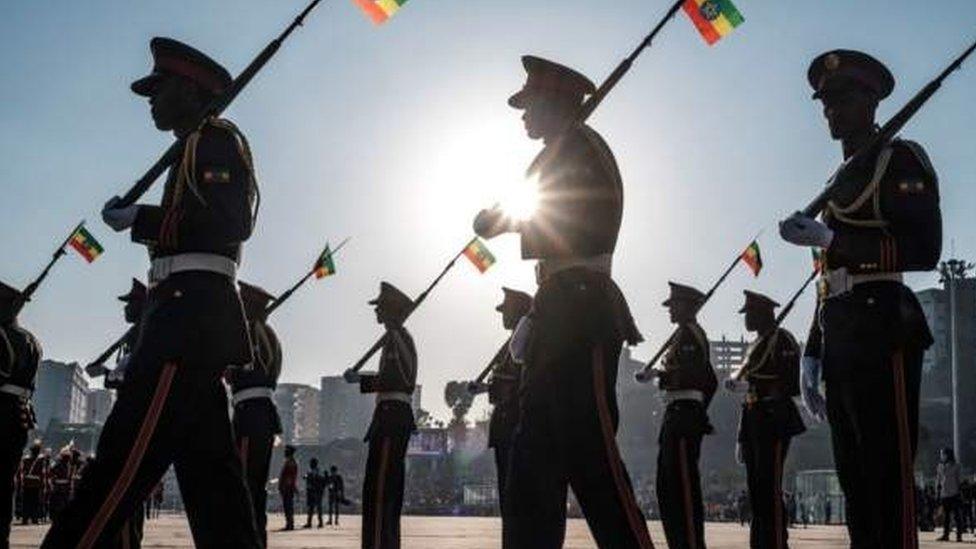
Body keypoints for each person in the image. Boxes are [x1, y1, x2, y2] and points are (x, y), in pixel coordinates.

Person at [43, 37, 262, 548]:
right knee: (217, 497)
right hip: (187, 321)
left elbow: (232, 223)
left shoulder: (215, 140)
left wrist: (140, 218)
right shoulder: (193, 146)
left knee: (116, 473)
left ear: (189, 90)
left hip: (184, 327)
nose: (150, 99)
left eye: (158, 89)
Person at [473, 55, 652, 549]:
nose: (523, 113)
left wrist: (508, 220)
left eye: (530, 103)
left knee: (592, 458)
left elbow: (580, 220)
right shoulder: (562, 151)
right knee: (532, 467)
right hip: (556, 307)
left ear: (556, 103)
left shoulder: (582, 149)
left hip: (582, 307)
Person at [779, 49, 941, 549]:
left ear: (872, 103)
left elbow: (924, 249)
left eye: (844, 99)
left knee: (886, 475)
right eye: (826, 102)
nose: (832, 110)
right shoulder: (839, 181)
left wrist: (833, 241)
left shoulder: (899, 159)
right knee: (855, 482)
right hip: (842, 334)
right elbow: (827, 277)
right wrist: (811, 349)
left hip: (882, 328)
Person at [727, 290, 806, 548]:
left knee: (769, 487)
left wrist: (755, 384)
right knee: (757, 491)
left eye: (749, 314)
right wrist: (741, 434)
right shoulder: (755, 346)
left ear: (763, 314)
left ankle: (774, 543)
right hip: (754, 419)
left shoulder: (781, 339)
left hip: (774, 419)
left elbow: (793, 382)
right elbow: (748, 395)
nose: (746, 319)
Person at [344, 281, 418, 549]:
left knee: (380, 491)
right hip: (388, 416)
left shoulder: (398, 338)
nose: (376, 312)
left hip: (391, 417)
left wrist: (361, 380)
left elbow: (399, 379)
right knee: (382, 488)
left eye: (380, 308)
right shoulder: (395, 337)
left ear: (390, 310)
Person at [653, 282, 717, 549]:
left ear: (688, 307)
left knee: (682, 489)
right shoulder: (682, 335)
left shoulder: (691, 335)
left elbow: (697, 377)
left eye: (674, 305)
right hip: (676, 414)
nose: (670, 310)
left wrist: (660, 375)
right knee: (667, 487)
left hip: (684, 417)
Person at [468, 286, 532, 541]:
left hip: (515, 424)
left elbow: (518, 384)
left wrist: (489, 387)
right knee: (508, 499)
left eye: (506, 310)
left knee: (515, 498)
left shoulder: (524, 342)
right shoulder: (511, 343)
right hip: (505, 426)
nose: (502, 315)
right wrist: (486, 387)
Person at [230, 281, 284, 544]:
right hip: (260, 414)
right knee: (254, 488)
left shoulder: (251, 331)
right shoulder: (268, 333)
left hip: (250, 415)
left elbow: (251, 370)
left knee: (244, 488)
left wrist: (228, 369)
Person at [0, 281, 41, 546]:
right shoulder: (32, 340)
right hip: (20, 415)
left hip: (0, 410)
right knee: (5, 482)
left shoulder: (2, 336)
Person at [937, 447, 964, 542]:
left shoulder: (956, 466)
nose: (941, 456)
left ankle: (959, 535)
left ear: (948, 455)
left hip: (954, 494)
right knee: (946, 517)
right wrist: (938, 493)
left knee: (957, 516)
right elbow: (939, 481)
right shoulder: (940, 466)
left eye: (943, 454)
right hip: (944, 494)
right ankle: (945, 535)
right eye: (941, 454)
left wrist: (960, 492)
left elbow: (959, 480)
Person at [18, 442, 46, 526]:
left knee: (26, 502)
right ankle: (34, 518)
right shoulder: (41, 461)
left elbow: (22, 472)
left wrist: (22, 483)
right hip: (36, 484)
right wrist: (43, 484)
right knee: (34, 502)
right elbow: (42, 473)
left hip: (27, 483)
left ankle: (25, 519)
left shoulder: (25, 459)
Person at [279, 445, 298, 531]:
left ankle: (290, 524)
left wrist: (284, 487)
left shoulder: (290, 462)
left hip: (288, 488)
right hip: (288, 487)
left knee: (288, 506)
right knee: (288, 506)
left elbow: (289, 477)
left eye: (286, 451)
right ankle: (289, 523)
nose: (284, 453)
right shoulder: (290, 461)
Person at [303, 458, 325, 529]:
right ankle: (313, 522)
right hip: (314, 492)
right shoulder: (314, 471)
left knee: (315, 508)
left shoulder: (316, 472)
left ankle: (317, 523)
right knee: (313, 508)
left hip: (315, 492)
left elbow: (318, 480)